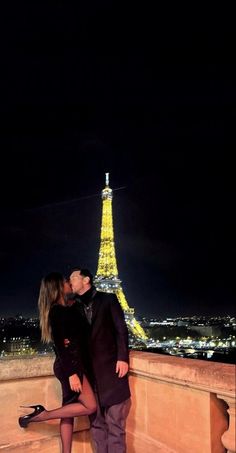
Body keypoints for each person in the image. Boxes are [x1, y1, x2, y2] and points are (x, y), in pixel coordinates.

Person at [18, 272, 96, 453]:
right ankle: (42, 415)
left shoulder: (61, 309)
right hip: (71, 366)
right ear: (58, 288)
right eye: (65, 282)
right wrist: (72, 374)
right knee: (90, 406)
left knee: (68, 412)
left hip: (67, 364)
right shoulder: (58, 312)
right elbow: (61, 345)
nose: (69, 283)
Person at [69, 268, 131, 453]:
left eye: (73, 277)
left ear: (86, 280)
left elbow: (121, 329)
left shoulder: (108, 299)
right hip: (89, 374)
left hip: (111, 371)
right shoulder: (74, 307)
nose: (69, 280)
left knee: (115, 424)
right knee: (96, 424)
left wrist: (122, 357)